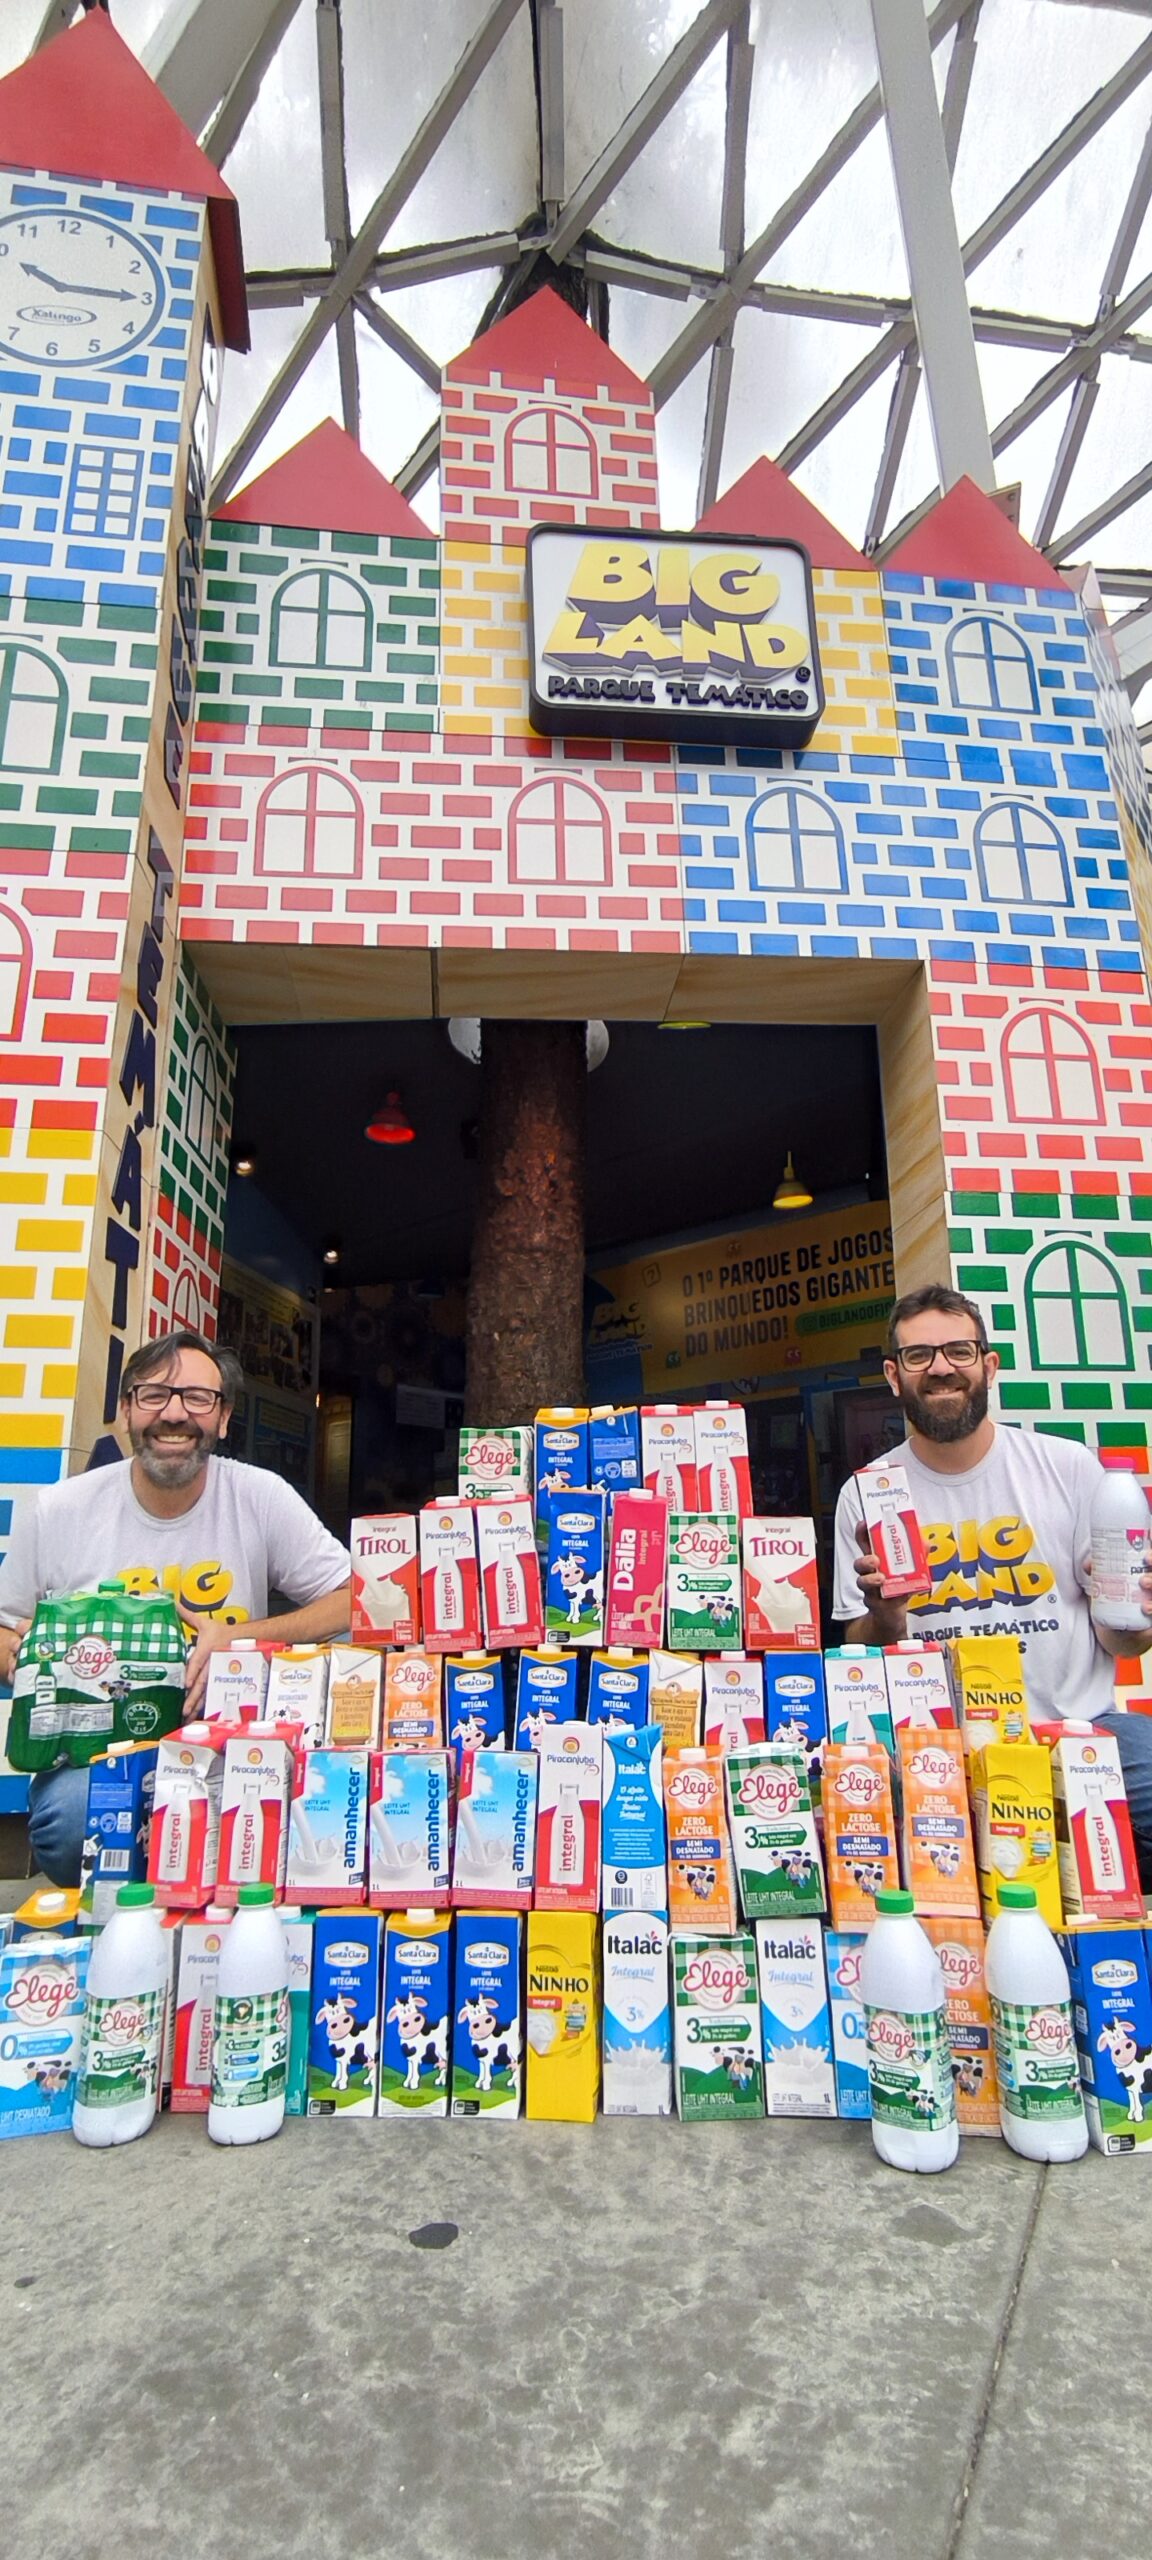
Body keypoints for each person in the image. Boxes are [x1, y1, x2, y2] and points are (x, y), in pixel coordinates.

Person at [0, 1328, 352, 1887]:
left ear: (223, 1417)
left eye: (197, 1398)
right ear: (124, 1410)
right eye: (153, 1395)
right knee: (69, 1828)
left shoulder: (259, 1496)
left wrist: (240, 1639)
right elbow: (3, 1623)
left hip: (232, 1743)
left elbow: (355, 1600)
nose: (175, 1414)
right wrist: (32, 1657)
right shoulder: (59, 1511)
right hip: (101, 1752)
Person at [833, 1280, 1152, 1879]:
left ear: (988, 1364)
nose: (940, 1369)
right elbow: (853, 1658)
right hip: (936, 1746)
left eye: (958, 1351)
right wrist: (885, 1619)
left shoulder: (1068, 1468)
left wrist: (1138, 1616)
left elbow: (1122, 1641)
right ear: (893, 1375)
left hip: (1073, 1728)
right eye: (918, 1356)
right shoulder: (867, 1493)